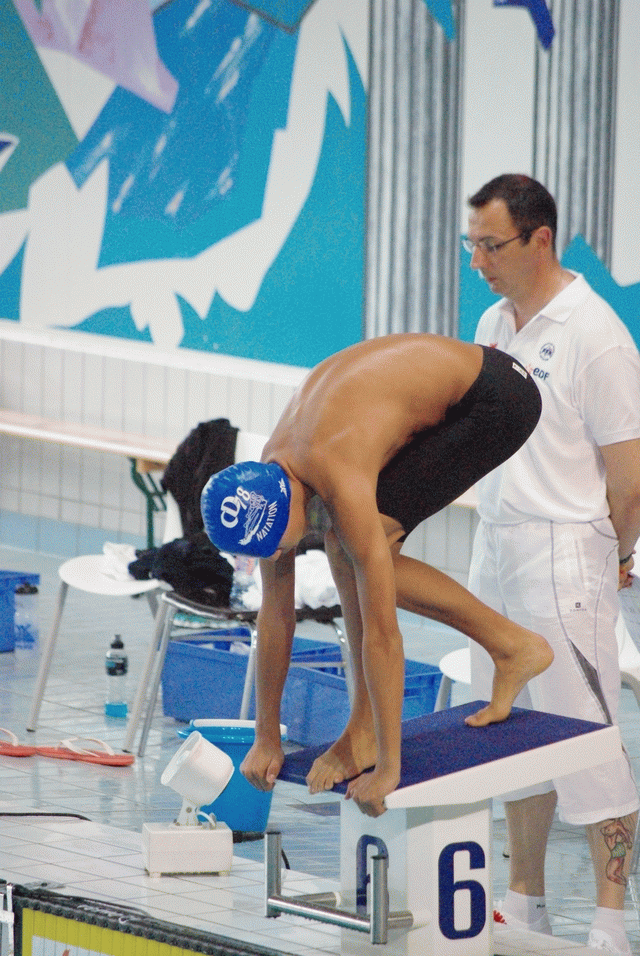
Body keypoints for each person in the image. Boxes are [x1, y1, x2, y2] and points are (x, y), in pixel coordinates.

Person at [201, 333, 554, 818]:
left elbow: (383, 633)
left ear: (287, 509)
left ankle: (504, 651)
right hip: (446, 394)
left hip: (497, 398)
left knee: (357, 550)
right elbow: (275, 616)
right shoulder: (268, 482)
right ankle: (509, 647)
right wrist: (265, 738)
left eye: (276, 545)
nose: (277, 556)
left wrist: (390, 768)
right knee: (344, 549)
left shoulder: (335, 469)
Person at [465, 173, 640, 955]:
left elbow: (630, 476)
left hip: (566, 552)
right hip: (495, 544)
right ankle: (524, 898)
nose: (478, 262)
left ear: (540, 240)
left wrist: (618, 553)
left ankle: (610, 919)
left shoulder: (596, 335)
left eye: (491, 246)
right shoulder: (493, 323)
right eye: (471, 245)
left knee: (587, 737)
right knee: (506, 727)